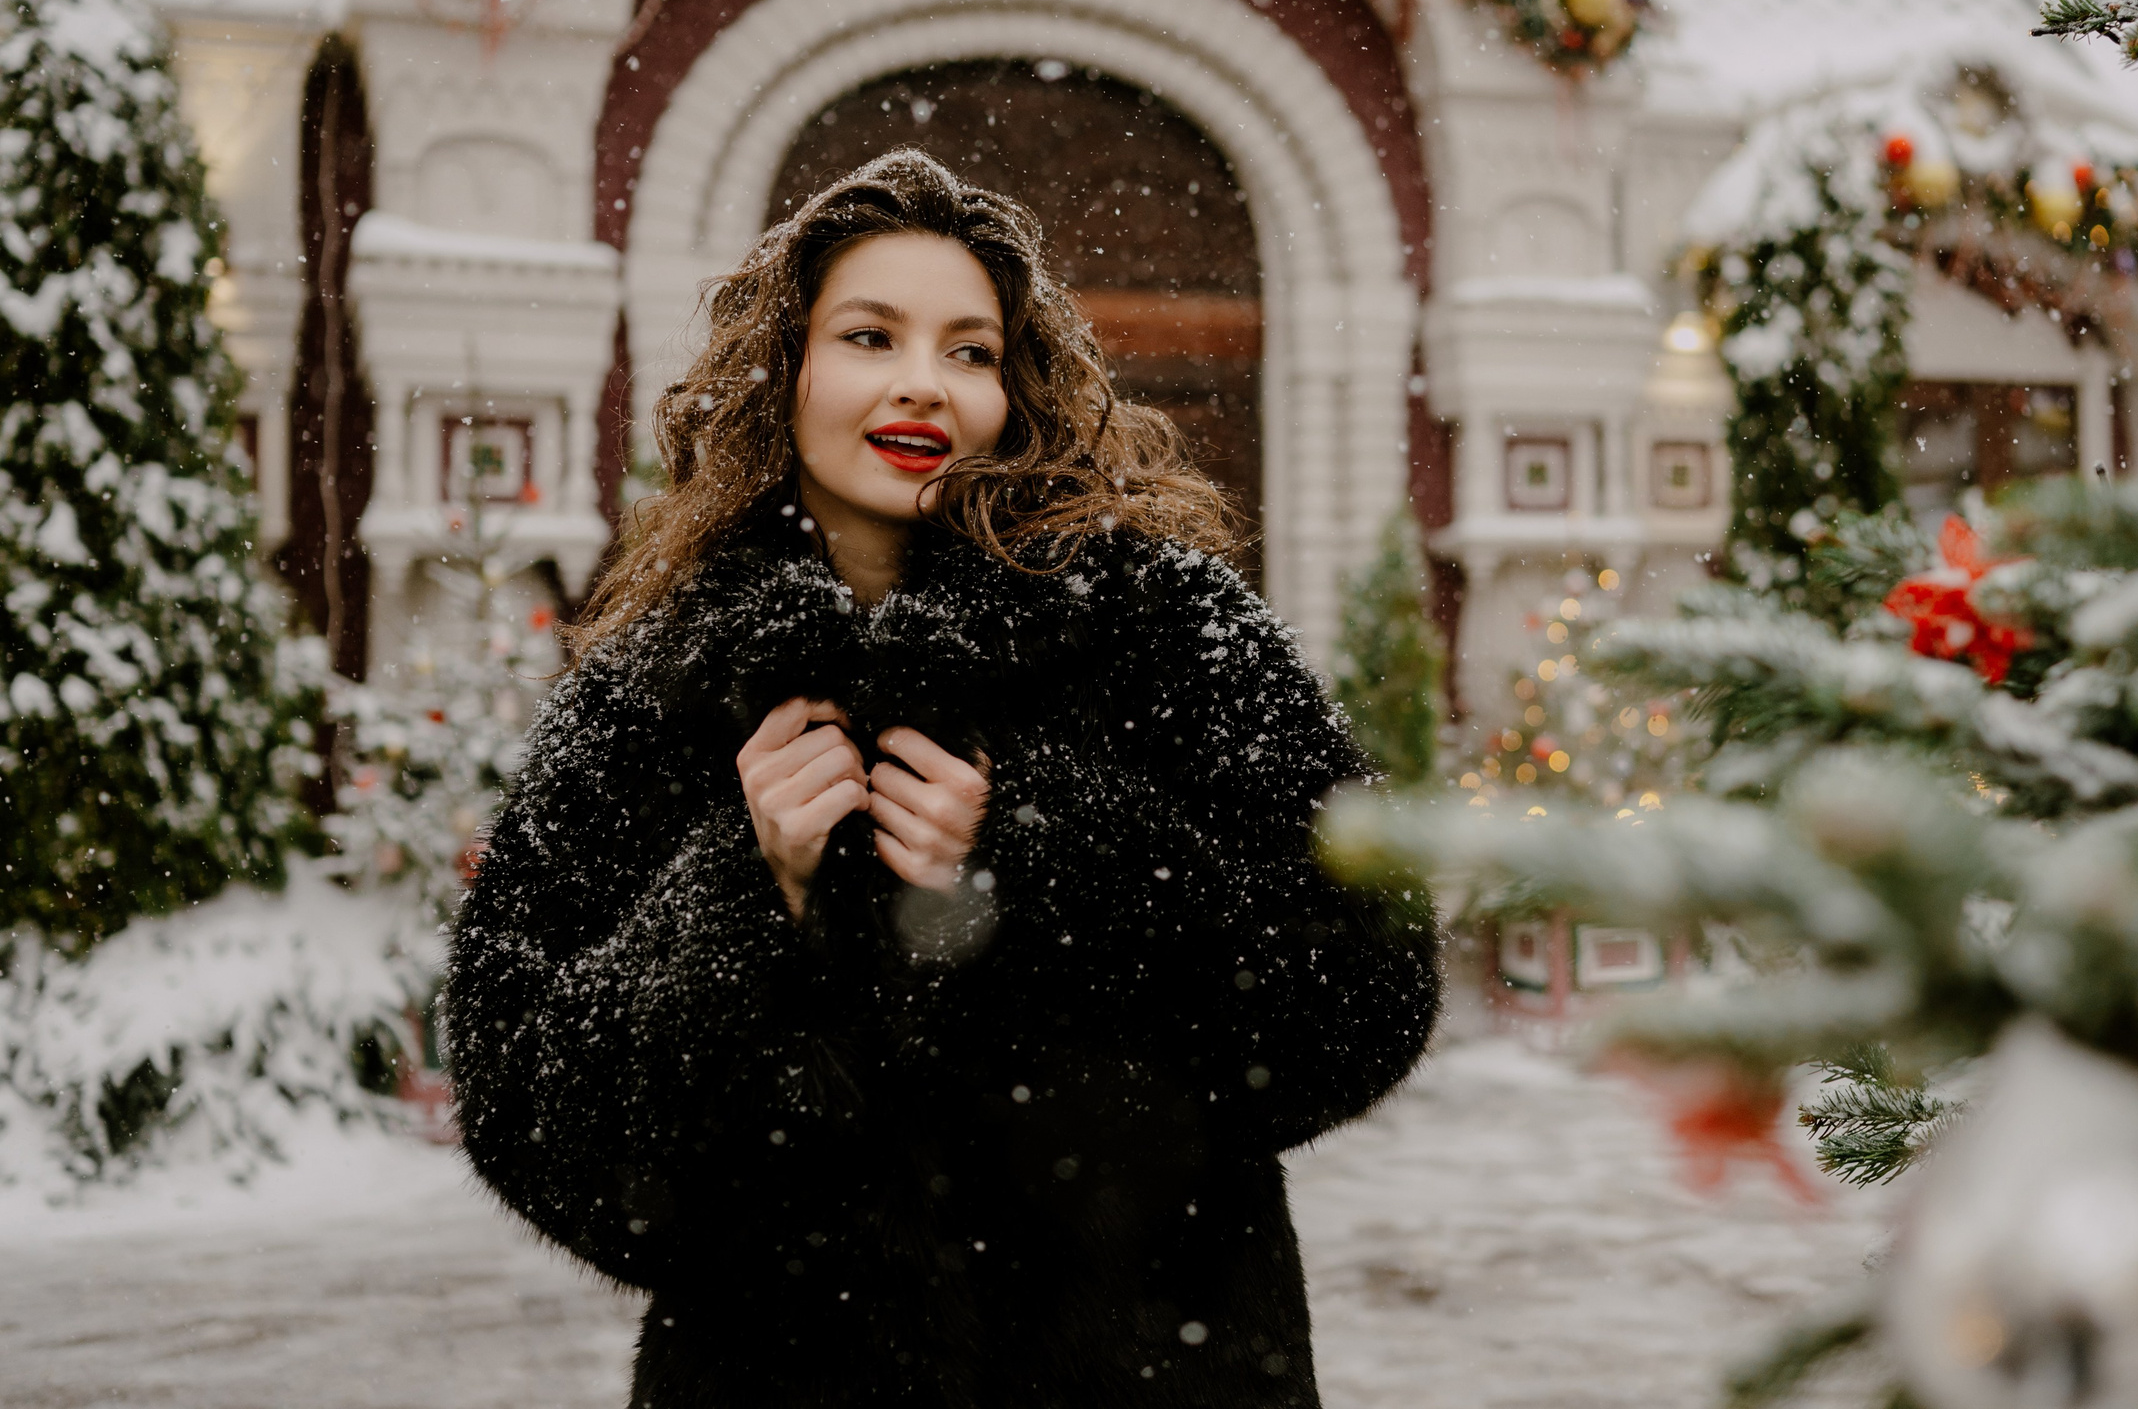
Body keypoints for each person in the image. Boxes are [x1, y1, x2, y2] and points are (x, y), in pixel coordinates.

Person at [443, 148, 1440, 1409]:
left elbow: (1364, 984)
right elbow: (538, 1127)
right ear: (783, 368)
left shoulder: (1162, 627)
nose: (925, 385)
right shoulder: (659, 687)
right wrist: (752, 901)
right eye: (870, 336)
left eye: (970, 351)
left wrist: (1052, 850)